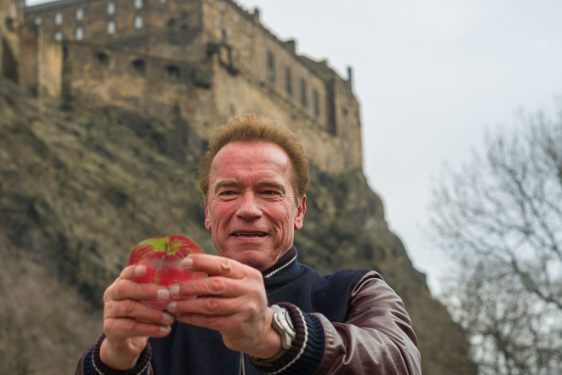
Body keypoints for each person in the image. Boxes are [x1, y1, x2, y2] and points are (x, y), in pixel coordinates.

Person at [76, 114, 421, 375]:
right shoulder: (159, 317)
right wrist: (115, 360)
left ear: (299, 211)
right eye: (228, 192)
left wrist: (275, 334)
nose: (248, 209)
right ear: (208, 212)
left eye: (269, 192)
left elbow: (399, 360)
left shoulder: (356, 291)